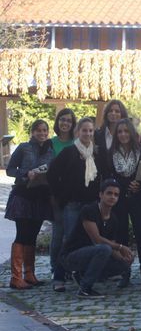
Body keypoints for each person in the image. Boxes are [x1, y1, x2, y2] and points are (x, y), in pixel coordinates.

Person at [47, 117, 101, 291]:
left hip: (91, 203)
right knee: (69, 240)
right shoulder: (69, 152)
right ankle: (59, 276)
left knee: (87, 240)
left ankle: (80, 273)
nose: (87, 133)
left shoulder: (96, 153)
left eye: (90, 131)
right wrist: (60, 195)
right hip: (73, 203)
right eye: (84, 130)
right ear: (78, 132)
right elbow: (52, 174)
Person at [104, 118, 141, 287]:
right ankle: (124, 272)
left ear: (132, 133)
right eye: (119, 132)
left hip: (138, 199)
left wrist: (140, 184)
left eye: (126, 131)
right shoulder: (110, 153)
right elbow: (107, 177)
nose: (123, 135)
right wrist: (121, 185)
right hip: (118, 200)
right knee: (121, 236)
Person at [59, 179, 133, 298]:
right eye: (109, 193)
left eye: (116, 195)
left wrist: (124, 257)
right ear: (101, 195)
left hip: (92, 254)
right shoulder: (89, 210)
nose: (112, 197)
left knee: (122, 265)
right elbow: (97, 239)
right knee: (104, 249)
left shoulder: (113, 219)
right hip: (71, 256)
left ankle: (82, 274)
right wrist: (120, 247)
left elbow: (112, 245)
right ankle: (85, 289)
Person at [5, 120, 54, 289]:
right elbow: (10, 169)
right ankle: (16, 277)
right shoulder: (24, 147)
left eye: (45, 130)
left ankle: (30, 274)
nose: (42, 133)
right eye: (39, 130)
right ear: (32, 132)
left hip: (41, 198)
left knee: (33, 236)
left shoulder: (50, 150)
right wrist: (26, 174)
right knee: (22, 235)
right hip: (23, 197)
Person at [49, 109, 77, 291]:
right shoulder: (50, 143)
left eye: (68, 120)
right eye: (62, 119)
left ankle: (66, 268)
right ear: (57, 122)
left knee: (70, 234)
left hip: (74, 196)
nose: (65, 123)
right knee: (58, 234)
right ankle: (54, 268)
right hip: (56, 195)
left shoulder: (77, 143)